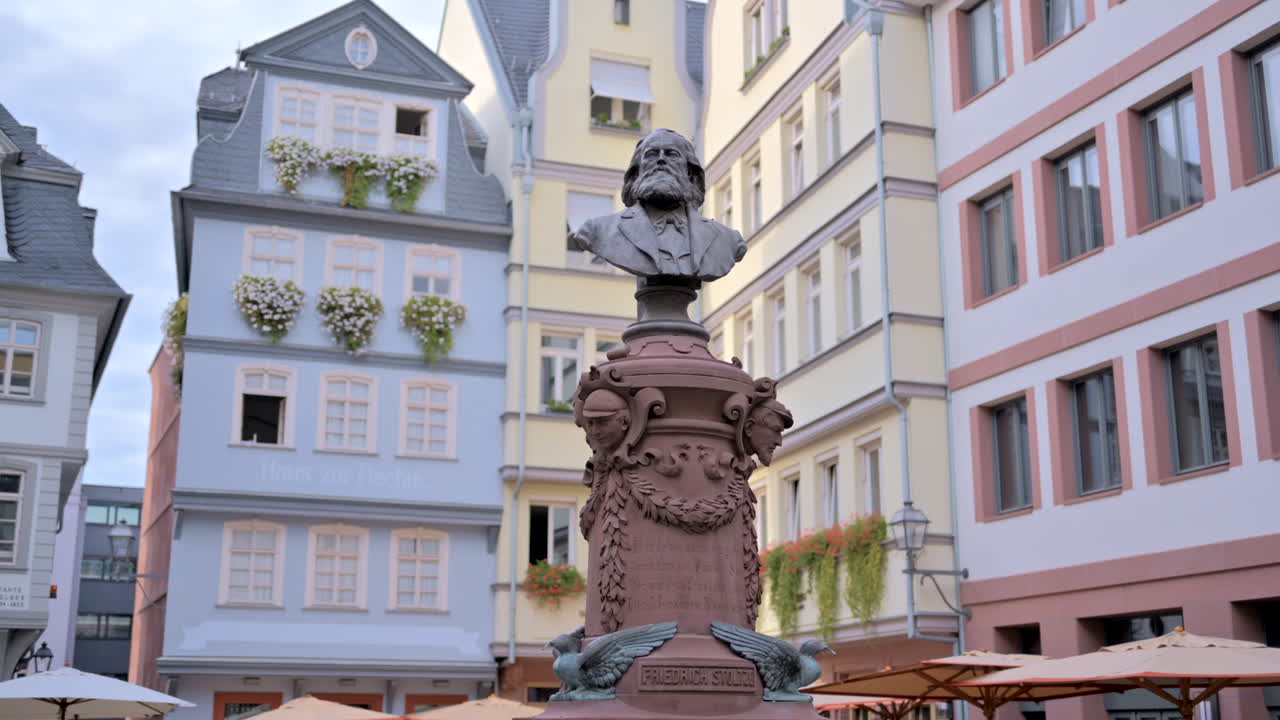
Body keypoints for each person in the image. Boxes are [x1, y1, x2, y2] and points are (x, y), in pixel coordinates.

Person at [572, 129, 746, 281]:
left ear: (689, 172)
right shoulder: (599, 231)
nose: (661, 160)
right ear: (637, 171)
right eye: (652, 154)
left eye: (671, 154)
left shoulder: (728, 241)